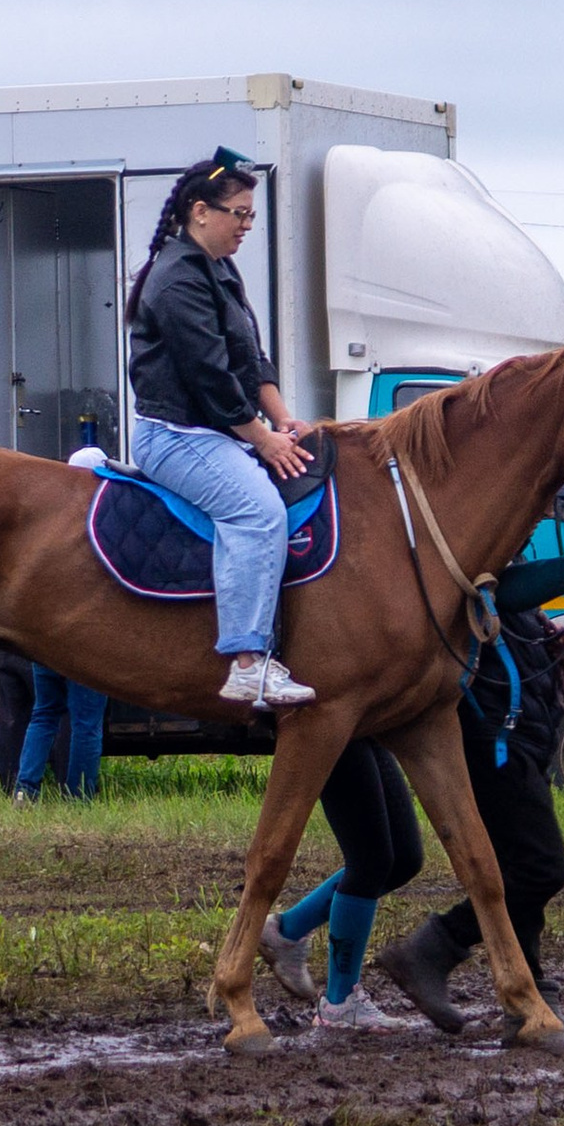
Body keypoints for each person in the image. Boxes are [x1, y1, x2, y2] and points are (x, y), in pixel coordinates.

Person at [377, 541, 564, 1038]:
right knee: (541, 868)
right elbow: (504, 592)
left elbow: (509, 614)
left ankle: (533, 1007)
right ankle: (430, 949)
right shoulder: (475, 550)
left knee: (517, 869)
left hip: (519, 733)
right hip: (493, 738)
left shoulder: (505, 546)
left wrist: (549, 647)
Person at [126, 151, 314, 709]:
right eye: (240, 213)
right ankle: (248, 662)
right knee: (258, 513)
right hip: (176, 437)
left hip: (216, 432)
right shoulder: (177, 278)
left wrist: (283, 417)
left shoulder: (221, 269)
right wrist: (263, 439)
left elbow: (250, 358)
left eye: (252, 216)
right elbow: (210, 375)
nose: (247, 226)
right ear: (200, 211)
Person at [258, 740, 426, 1030]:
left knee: (404, 859)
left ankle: (286, 931)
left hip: (371, 728)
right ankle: (340, 1003)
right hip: (333, 728)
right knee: (369, 860)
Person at [12, 662, 107, 803]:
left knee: (43, 716)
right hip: (86, 657)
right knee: (86, 724)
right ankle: (78, 797)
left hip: (47, 654)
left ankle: (24, 791)